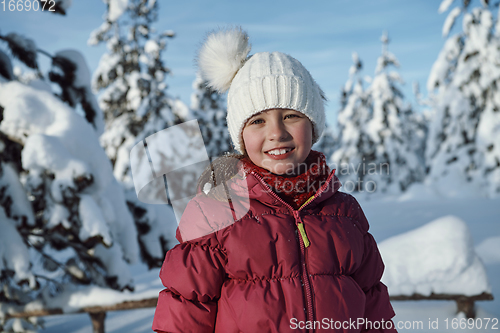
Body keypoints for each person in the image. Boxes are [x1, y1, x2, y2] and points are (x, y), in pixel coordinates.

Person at [152, 27, 396, 333]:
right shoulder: (213, 213)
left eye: (291, 116)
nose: (277, 133)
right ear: (240, 136)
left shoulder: (346, 213)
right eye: (258, 121)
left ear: (313, 125)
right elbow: (183, 314)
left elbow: (373, 309)